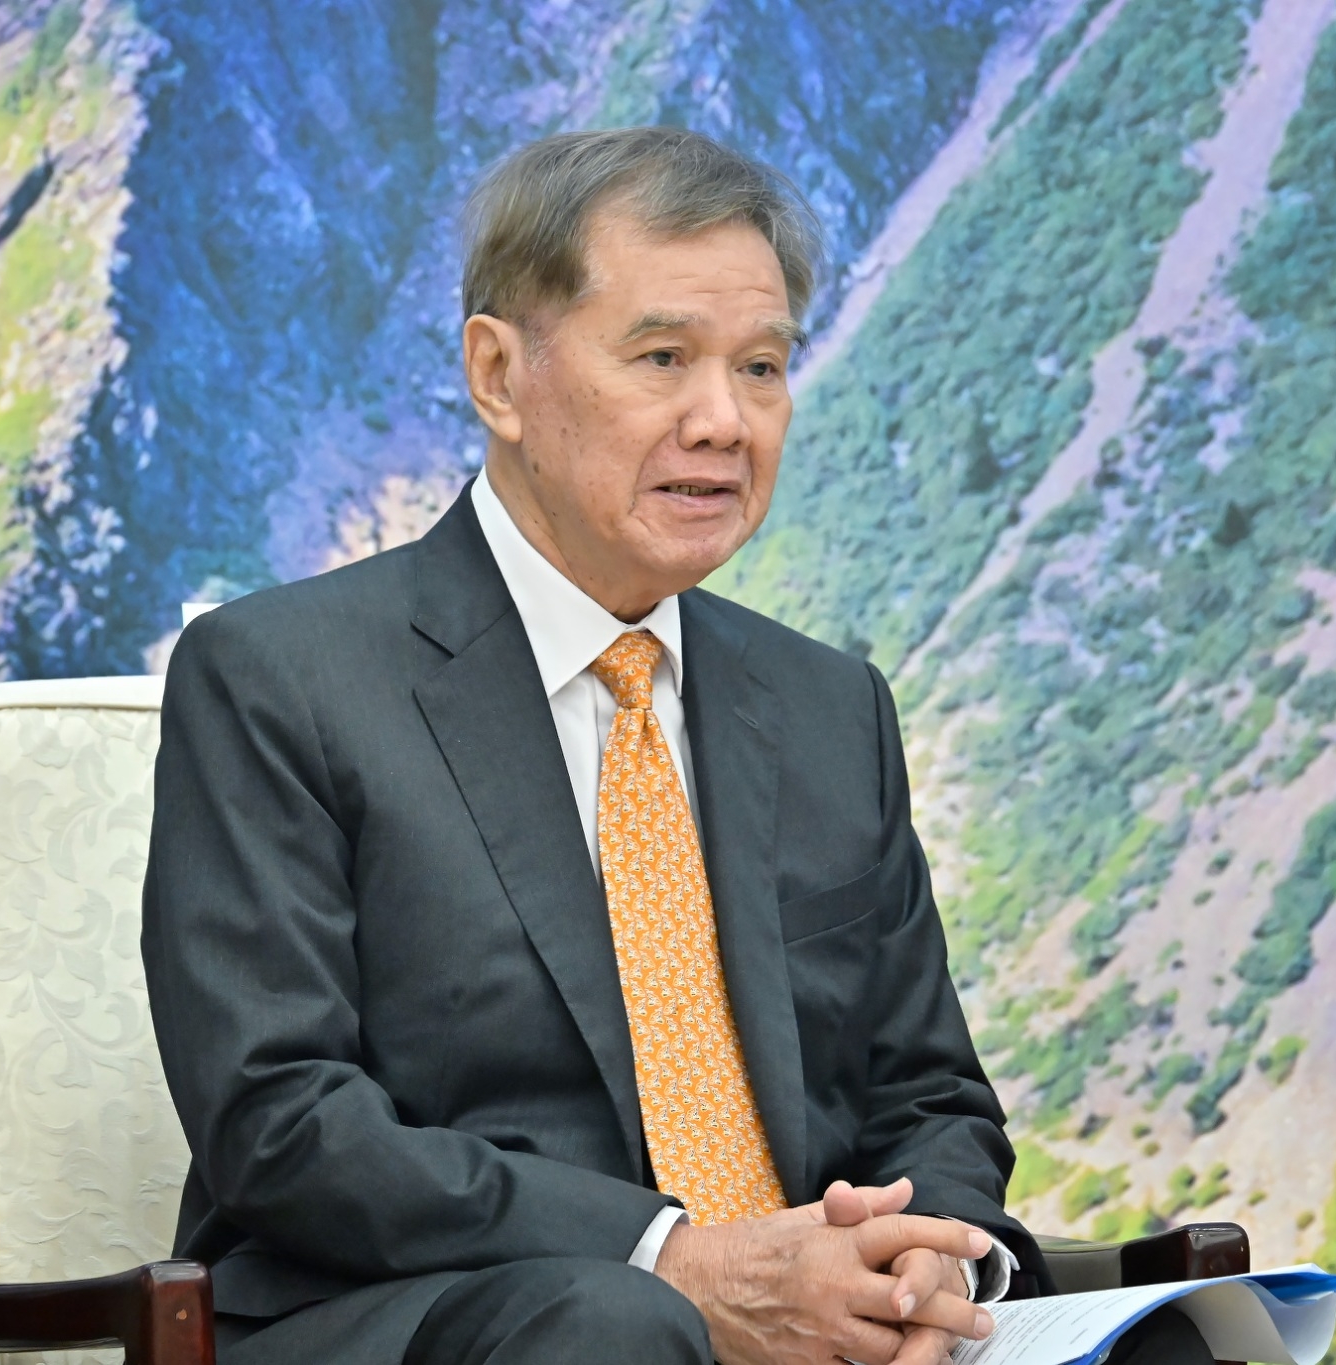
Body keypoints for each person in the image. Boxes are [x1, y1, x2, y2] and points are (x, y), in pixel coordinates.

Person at [142, 126, 1216, 1365]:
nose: (722, 420)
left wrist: (924, 1257)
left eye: (760, 367)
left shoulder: (828, 707)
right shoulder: (280, 676)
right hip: (459, 1321)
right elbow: (280, 1120)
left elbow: (926, 1096)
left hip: (820, 1332)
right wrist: (674, 1262)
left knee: (1165, 1346)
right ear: (498, 376)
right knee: (618, 1328)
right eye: (661, 358)